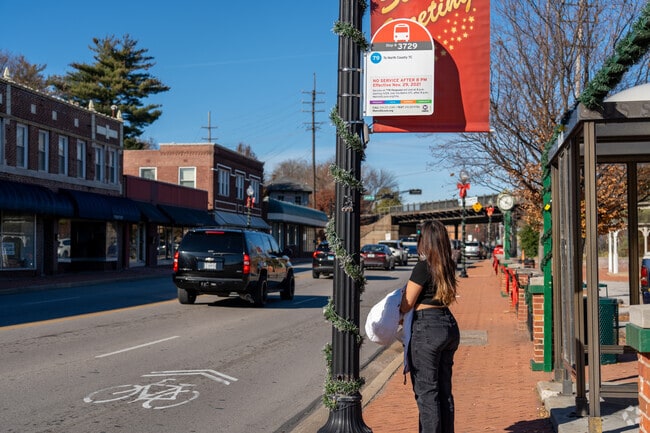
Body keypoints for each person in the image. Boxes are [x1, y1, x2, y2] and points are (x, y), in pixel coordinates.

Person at [400, 220, 460, 433]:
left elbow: (406, 304)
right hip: (448, 325)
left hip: (427, 329)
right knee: (444, 392)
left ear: (423, 241)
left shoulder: (422, 267)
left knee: (427, 394)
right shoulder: (448, 264)